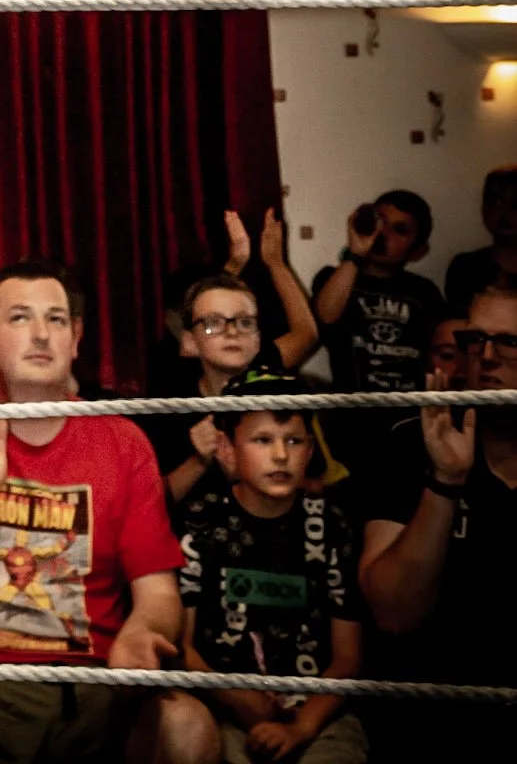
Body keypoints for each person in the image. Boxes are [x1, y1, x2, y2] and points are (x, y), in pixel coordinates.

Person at [0, 261, 216, 764]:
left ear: (76, 338)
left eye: (55, 319)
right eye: (20, 318)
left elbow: (159, 595)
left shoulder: (123, 441)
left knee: (189, 726)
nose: (40, 334)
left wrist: (145, 631)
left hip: (96, 679)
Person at [358, 282, 517, 745]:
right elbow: (394, 612)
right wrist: (445, 481)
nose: (486, 356)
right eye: (475, 339)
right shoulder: (411, 439)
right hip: (427, 715)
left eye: (509, 341)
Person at [178, 382, 366, 764]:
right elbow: (182, 648)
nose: (281, 455)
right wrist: (235, 696)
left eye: (294, 442)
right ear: (228, 449)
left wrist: (301, 727)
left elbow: (348, 658)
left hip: (319, 715)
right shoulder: (200, 521)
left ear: (310, 451)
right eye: (263, 440)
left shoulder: (332, 524)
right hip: (225, 710)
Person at [150, 244, 317, 511]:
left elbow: (316, 489)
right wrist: (199, 460)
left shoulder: (287, 398)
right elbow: (152, 505)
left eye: (245, 322)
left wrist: (254, 474)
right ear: (189, 342)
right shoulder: (169, 406)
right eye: (213, 323)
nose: (231, 332)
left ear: (258, 339)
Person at [311, 192, 444, 473]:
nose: (384, 234)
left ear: (418, 250)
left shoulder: (424, 292)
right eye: (379, 222)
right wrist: (355, 254)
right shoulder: (334, 277)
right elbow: (325, 316)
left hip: (412, 422)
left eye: (400, 229)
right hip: (352, 423)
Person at [443, 163, 517, 310]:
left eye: (516, 204)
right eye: (496, 202)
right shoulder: (466, 267)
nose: (504, 211)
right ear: (483, 209)